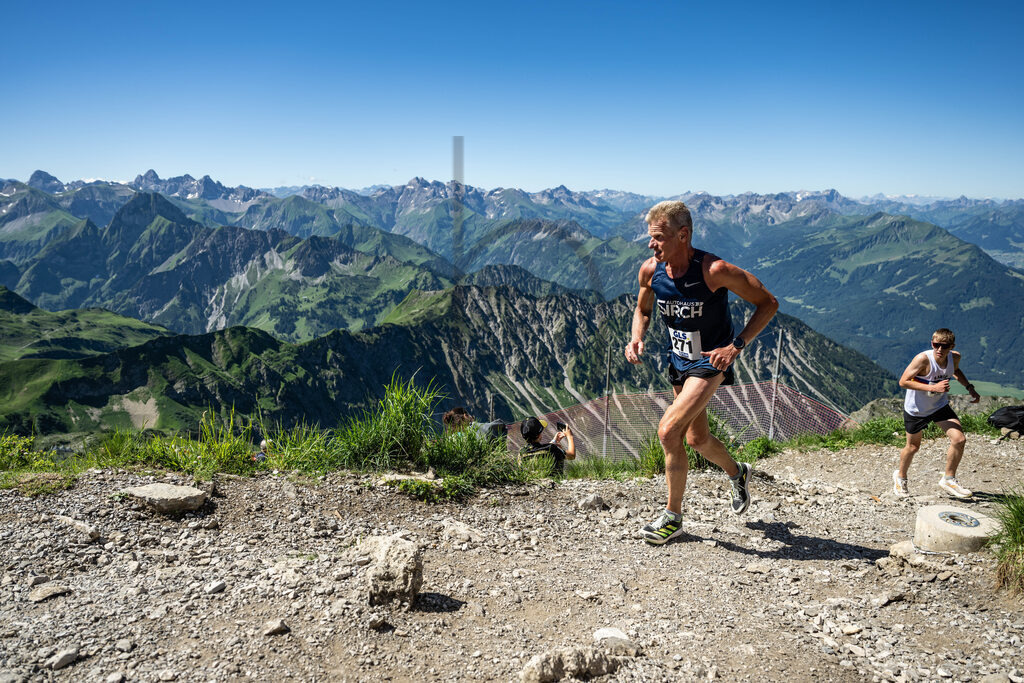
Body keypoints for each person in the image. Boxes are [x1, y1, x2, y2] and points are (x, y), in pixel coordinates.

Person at [625, 200, 778, 545]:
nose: (652, 244)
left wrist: (735, 345)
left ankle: (672, 518)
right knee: (696, 439)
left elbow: (768, 303)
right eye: (650, 238)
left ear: (683, 235)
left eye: (659, 238)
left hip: (711, 362)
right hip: (678, 361)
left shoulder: (714, 270)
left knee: (668, 431)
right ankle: (739, 474)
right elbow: (642, 309)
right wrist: (636, 337)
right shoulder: (650, 271)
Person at [893, 328, 981, 499]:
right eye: (936, 345)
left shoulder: (954, 357)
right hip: (916, 408)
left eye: (944, 346)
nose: (940, 349)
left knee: (959, 439)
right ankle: (900, 477)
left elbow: (955, 370)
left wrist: (969, 388)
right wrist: (933, 387)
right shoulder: (923, 359)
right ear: (932, 343)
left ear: (952, 346)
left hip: (939, 406)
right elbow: (903, 382)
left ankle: (948, 479)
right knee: (913, 447)